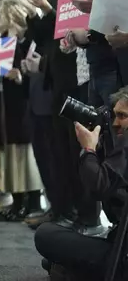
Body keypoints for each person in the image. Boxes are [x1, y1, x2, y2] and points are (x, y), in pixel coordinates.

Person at [35, 86, 128, 280]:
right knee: (54, 258)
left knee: (45, 235)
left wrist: (89, 150)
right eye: (114, 116)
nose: (116, 123)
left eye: (122, 116)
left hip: (121, 255)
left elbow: (98, 185)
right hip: (119, 242)